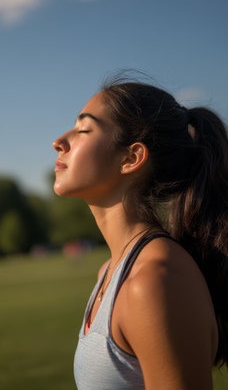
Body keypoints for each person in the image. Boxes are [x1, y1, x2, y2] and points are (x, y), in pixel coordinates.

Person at [53, 77, 228, 390]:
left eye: (83, 129)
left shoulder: (155, 279)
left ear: (131, 158)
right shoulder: (110, 271)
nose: (59, 141)